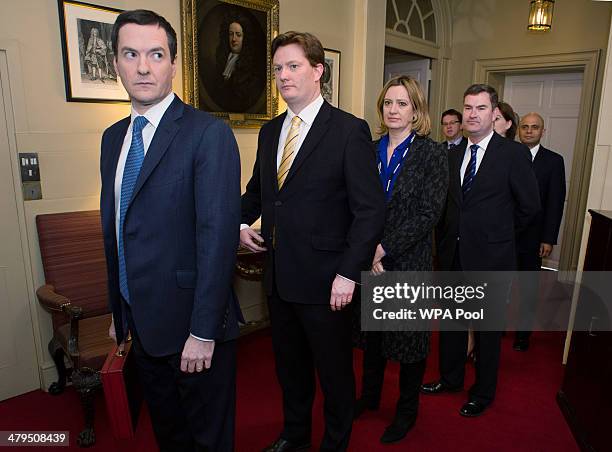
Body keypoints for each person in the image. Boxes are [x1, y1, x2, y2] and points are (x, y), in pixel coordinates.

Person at [100, 10, 242, 451]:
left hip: (193, 330)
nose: (143, 66)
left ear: (174, 64)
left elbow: (217, 240)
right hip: (141, 327)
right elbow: (122, 229)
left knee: (207, 440)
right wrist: (120, 308)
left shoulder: (208, 134)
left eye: (156, 54)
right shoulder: (111, 138)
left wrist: (202, 332)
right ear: (116, 63)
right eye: (131, 54)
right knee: (169, 436)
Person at [240, 31, 385, 452]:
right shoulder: (270, 133)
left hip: (328, 283)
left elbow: (370, 211)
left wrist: (347, 273)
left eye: (293, 66)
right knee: (290, 370)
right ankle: (294, 435)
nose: (283, 76)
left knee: (335, 372)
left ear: (318, 70)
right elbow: (258, 194)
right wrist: (238, 223)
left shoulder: (347, 131)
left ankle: (335, 442)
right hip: (280, 278)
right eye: (278, 69)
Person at [421, 84, 540, 417]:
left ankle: (483, 392)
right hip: (453, 256)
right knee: (453, 326)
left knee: (486, 334)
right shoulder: (452, 154)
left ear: (494, 113)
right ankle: (450, 378)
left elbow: (529, 208)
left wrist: (497, 235)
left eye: (481, 108)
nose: (473, 115)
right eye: (468, 108)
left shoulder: (513, 154)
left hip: (492, 259)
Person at [354, 75, 448, 444]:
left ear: (416, 111)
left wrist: (383, 249)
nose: (394, 110)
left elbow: (429, 214)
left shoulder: (433, 153)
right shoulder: (368, 149)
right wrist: (369, 249)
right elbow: (357, 205)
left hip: (408, 261)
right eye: (388, 103)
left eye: (402, 103)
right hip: (370, 260)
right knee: (374, 338)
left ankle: (407, 412)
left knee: (409, 342)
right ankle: (369, 398)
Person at [514, 112, 566, 351]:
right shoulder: (507, 156)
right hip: (505, 235)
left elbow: (555, 202)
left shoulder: (554, 161)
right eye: (524, 127)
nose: (529, 131)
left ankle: (523, 335)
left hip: (534, 238)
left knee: (527, 288)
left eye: (534, 127)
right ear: (518, 130)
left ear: (542, 131)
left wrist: (548, 238)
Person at [208, 12, 265, 112]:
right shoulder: (222, 62)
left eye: (238, 35)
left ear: (245, 38)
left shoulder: (252, 72)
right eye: (231, 34)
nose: (234, 39)